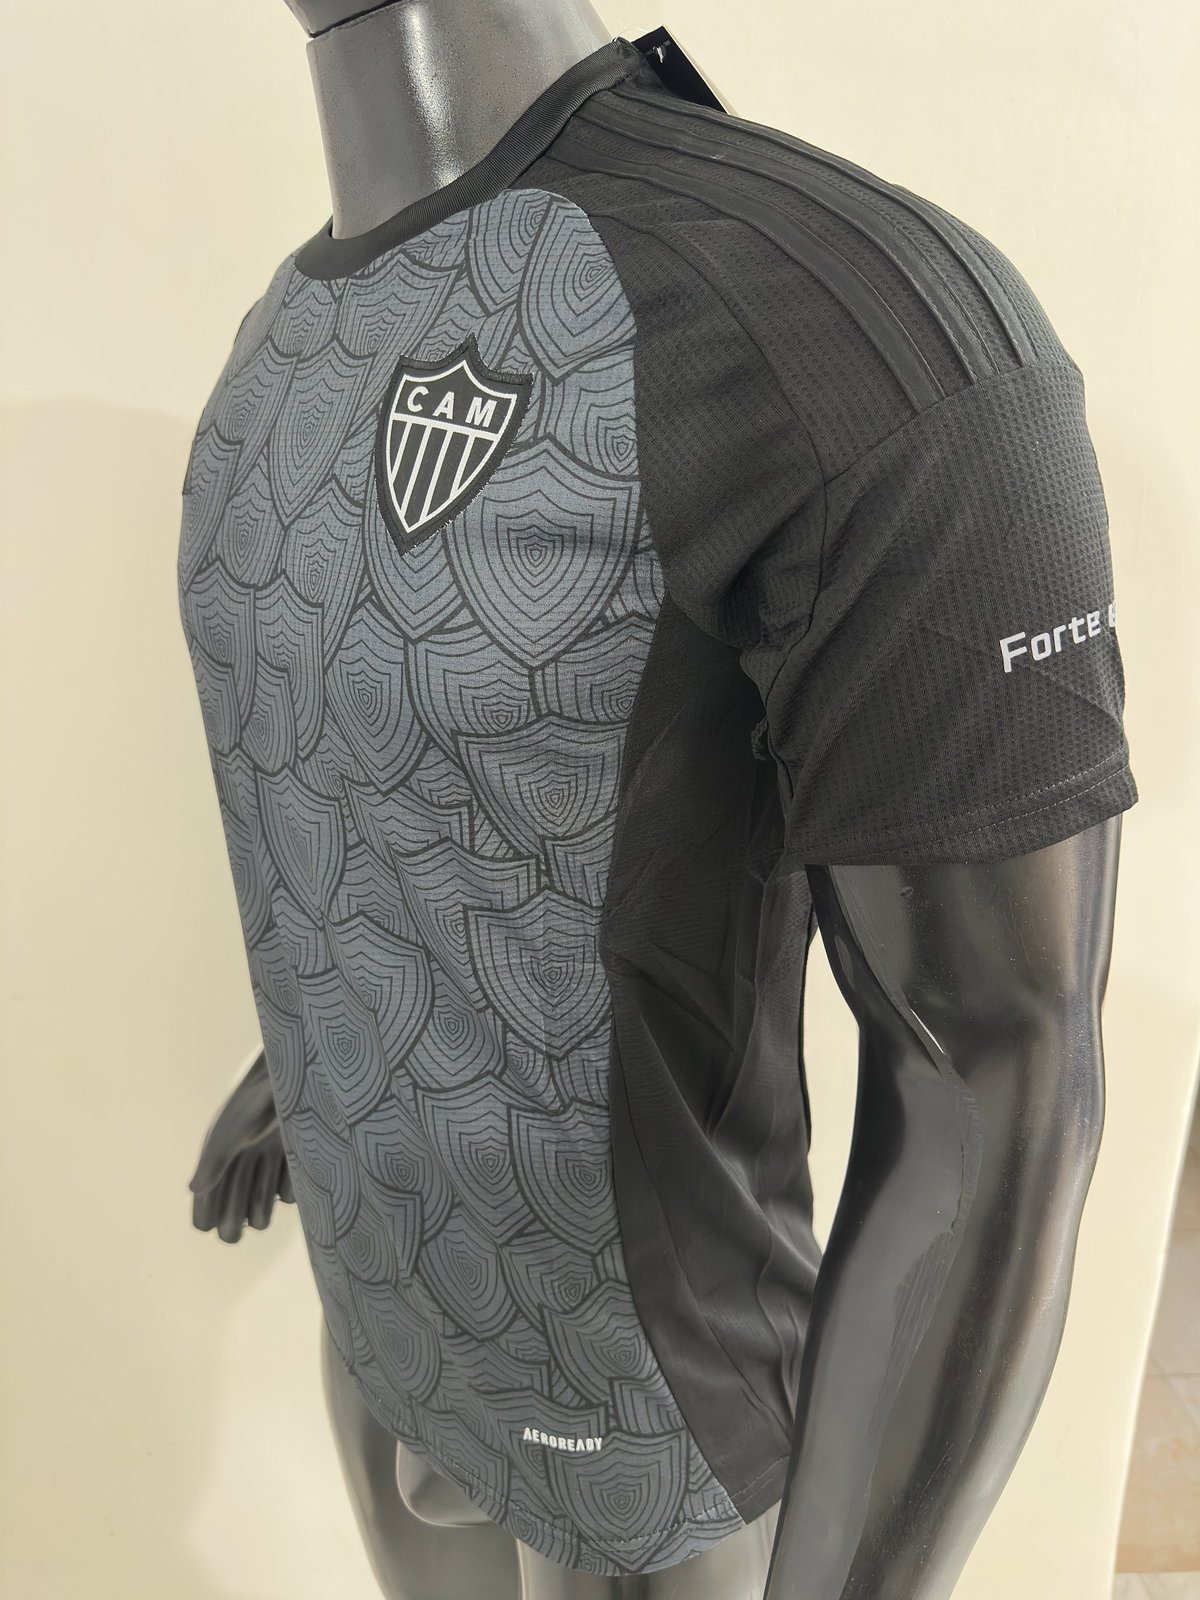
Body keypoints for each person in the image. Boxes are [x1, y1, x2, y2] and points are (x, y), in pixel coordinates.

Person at [182, 5, 1137, 1595]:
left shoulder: (850, 324)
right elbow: (389, 786)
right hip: (384, 1317)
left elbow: (1000, 1065)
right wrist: (309, 1064)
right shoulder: (285, 342)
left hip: (636, 1420)